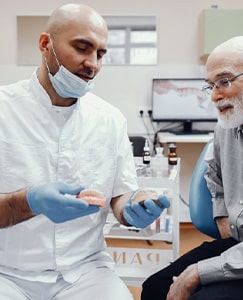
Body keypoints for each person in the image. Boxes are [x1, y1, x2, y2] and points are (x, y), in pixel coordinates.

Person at [0, 3, 170, 300]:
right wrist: (28, 202)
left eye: (100, 54)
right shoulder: (4, 110)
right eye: (82, 48)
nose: (93, 63)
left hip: (85, 271)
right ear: (45, 45)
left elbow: (120, 195)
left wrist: (133, 207)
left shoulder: (110, 120)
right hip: (7, 272)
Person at [141, 35, 243, 300]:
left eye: (224, 81)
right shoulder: (227, 126)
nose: (214, 96)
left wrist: (198, 272)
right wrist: (221, 215)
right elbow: (213, 173)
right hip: (238, 246)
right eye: (210, 85)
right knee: (155, 288)